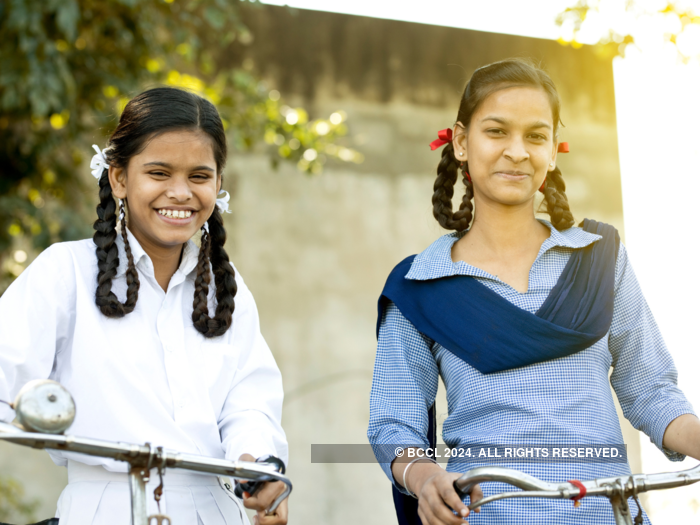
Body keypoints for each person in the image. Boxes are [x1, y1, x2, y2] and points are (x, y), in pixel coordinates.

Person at [367, 58, 699, 525]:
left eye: (536, 136)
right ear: (461, 142)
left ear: (553, 151)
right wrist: (424, 477)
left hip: (606, 515)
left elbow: (650, 391)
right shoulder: (418, 287)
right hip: (489, 515)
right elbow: (393, 425)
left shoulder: (600, 260)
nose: (517, 152)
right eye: (497, 131)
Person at [0, 87, 289, 525]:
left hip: (216, 511)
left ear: (218, 184)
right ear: (119, 178)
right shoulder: (65, 272)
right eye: (158, 172)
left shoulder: (227, 289)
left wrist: (258, 469)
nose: (179, 193)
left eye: (198, 176)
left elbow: (249, 403)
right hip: (104, 511)